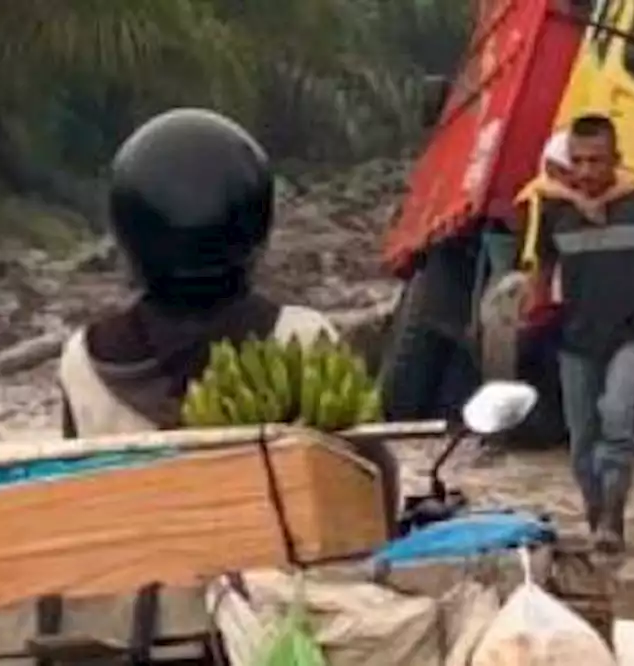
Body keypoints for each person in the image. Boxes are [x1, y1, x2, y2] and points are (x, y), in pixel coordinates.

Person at [56, 108, 400, 517]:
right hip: (279, 571)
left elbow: (74, 499)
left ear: (127, 233)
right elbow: (373, 491)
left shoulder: (83, 359)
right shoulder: (301, 336)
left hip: (135, 574)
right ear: (256, 226)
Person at [529, 114, 634, 552]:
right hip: (574, 339)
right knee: (581, 442)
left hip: (630, 334)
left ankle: (613, 519)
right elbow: (543, 266)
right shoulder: (555, 211)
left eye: (597, 161)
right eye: (578, 161)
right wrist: (534, 315)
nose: (587, 172)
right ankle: (597, 517)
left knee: (617, 417)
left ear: (616, 159)